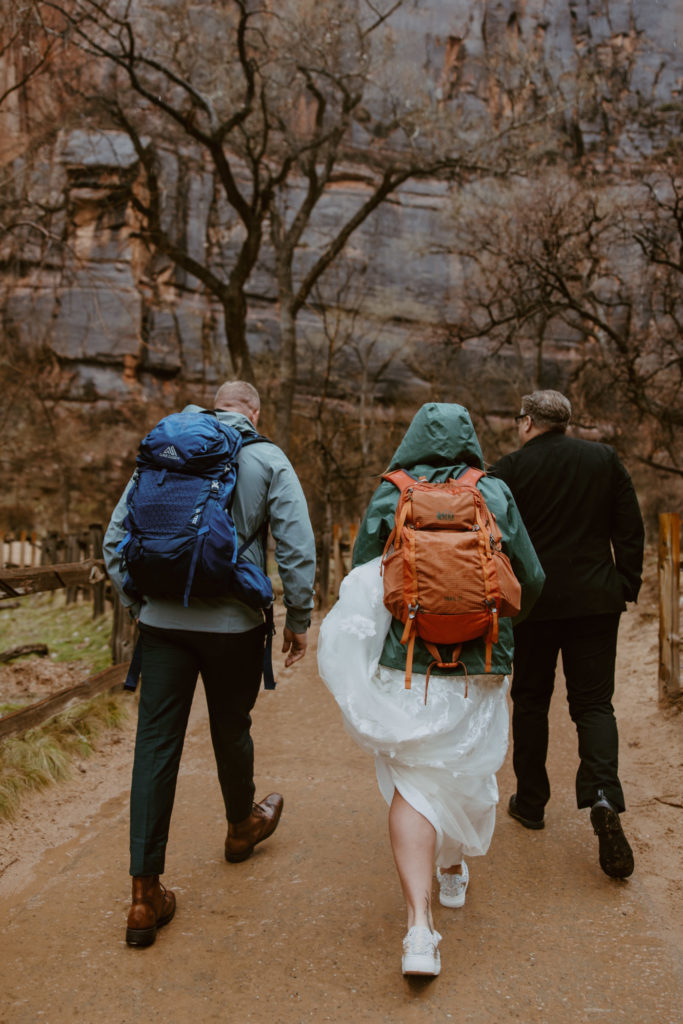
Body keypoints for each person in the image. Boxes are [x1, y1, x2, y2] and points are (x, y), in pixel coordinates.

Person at [318, 403, 544, 977]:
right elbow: (532, 578)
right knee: (469, 772)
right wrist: (498, 622)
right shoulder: (491, 491)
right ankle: (451, 870)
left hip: (409, 664)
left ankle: (419, 931)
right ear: (468, 440)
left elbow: (364, 578)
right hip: (481, 665)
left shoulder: (393, 492)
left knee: (416, 785)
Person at [104, 380, 316, 947]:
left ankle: (144, 897)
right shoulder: (267, 457)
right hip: (234, 626)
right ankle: (241, 826)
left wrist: (141, 604)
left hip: (163, 627)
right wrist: (299, 617)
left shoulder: (165, 451)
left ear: (214, 407)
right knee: (231, 724)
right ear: (254, 411)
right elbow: (296, 543)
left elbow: (114, 540)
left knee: (155, 744)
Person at [488, 389, 644, 880]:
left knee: (532, 699)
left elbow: (490, 537)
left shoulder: (508, 470)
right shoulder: (603, 459)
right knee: (595, 705)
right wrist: (626, 583)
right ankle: (602, 794)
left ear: (529, 422)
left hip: (532, 604)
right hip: (596, 601)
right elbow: (630, 526)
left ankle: (531, 802)